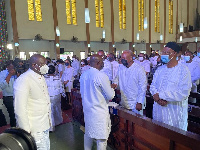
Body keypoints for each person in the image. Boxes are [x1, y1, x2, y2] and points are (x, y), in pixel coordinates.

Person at [150, 42, 192, 131]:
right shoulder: (160, 70)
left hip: (175, 113)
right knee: (158, 136)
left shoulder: (183, 70)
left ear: (175, 53)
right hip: (159, 110)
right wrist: (157, 98)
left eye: (167, 53)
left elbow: (183, 93)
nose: (163, 55)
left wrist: (161, 96)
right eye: (163, 52)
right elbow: (153, 86)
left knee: (175, 138)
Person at [14, 54, 52, 150]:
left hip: (44, 124)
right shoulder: (24, 80)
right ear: (34, 65)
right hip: (34, 128)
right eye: (43, 64)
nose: (46, 67)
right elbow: (20, 109)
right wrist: (26, 132)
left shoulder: (40, 76)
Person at [80, 54, 115, 150]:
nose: (103, 63)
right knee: (101, 139)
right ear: (98, 62)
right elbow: (110, 95)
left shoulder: (84, 74)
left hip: (87, 110)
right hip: (99, 112)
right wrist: (112, 89)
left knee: (88, 134)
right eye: (102, 61)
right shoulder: (101, 76)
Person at [113, 50, 147, 115]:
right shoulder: (121, 68)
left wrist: (139, 102)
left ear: (131, 58)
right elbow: (116, 79)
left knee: (136, 122)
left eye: (123, 58)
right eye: (121, 58)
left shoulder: (139, 69)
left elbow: (142, 87)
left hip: (135, 102)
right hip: (124, 100)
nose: (121, 60)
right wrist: (114, 85)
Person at [45, 65, 64, 131]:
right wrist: (62, 94)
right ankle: (58, 121)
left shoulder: (44, 78)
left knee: (49, 111)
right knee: (57, 108)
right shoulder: (58, 78)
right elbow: (61, 87)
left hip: (48, 96)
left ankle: (51, 126)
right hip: (56, 95)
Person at [0, 61, 16, 127]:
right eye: (11, 67)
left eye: (14, 67)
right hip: (8, 97)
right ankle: (13, 129)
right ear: (7, 67)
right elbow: (2, 86)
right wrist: (9, 75)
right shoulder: (3, 73)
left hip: (17, 96)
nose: (13, 69)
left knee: (18, 114)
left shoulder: (16, 72)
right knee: (12, 115)